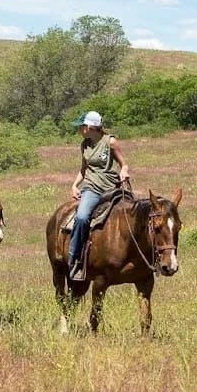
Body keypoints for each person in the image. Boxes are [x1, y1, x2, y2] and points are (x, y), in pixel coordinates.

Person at [68, 110, 130, 281]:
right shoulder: (84, 144)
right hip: (92, 188)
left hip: (112, 188)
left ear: (89, 127)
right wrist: (75, 185)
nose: (79, 130)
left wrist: (124, 172)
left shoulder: (110, 141)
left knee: (136, 215)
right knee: (81, 218)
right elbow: (83, 169)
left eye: (81, 126)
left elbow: (123, 164)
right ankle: (74, 259)